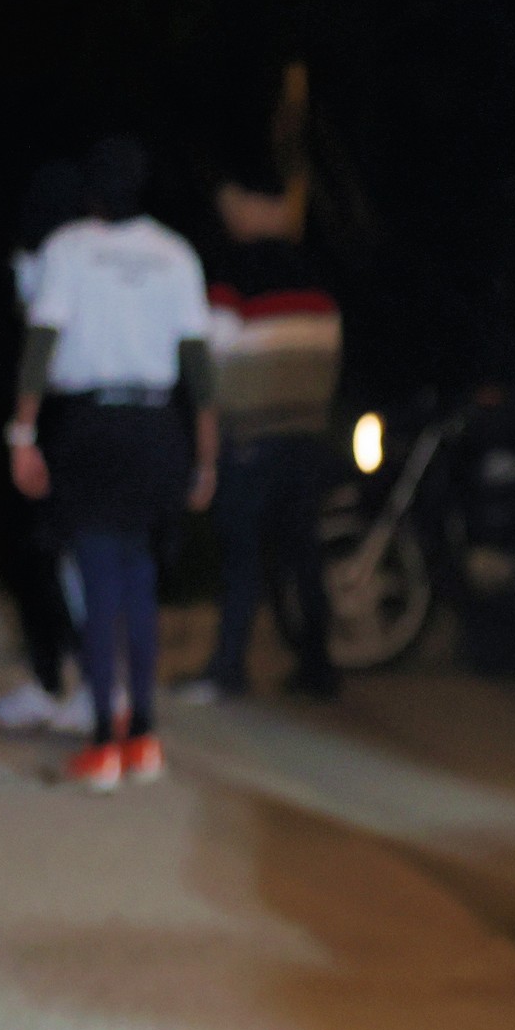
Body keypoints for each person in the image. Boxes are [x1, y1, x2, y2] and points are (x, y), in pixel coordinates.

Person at [9, 137, 217, 791]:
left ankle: (104, 742)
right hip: (158, 427)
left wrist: (22, 432)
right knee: (140, 583)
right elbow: (199, 368)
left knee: (99, 581)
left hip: (93, 426)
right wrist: (206, 456)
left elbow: (41, 344)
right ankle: (144, 738)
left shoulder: (68, 248)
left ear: (92, 192)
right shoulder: (176, 254)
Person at [177, 172, 341, 701]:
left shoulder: (233, 274)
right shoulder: (316, 275)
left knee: (242, 556)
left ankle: (227, 669)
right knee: (303, 554)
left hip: (250, 437)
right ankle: (318, 666)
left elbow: (212, 360)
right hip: (307, 433)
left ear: (250, 207)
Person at [0, 161, 94, 734]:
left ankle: (92, 686)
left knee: (71, 557)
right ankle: (49, 678)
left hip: (68, 422)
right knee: (30, 554)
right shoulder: (33, 259)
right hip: (36, 423)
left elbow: (46, 347)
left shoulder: (73, 259)